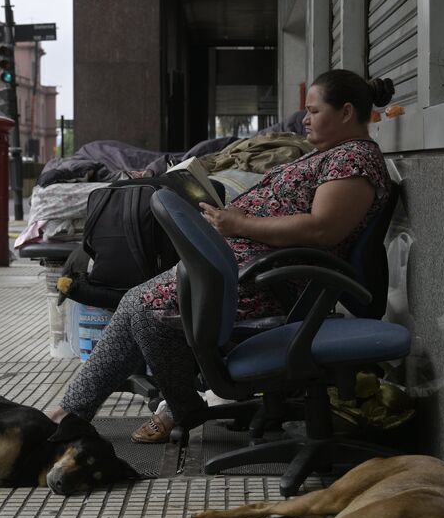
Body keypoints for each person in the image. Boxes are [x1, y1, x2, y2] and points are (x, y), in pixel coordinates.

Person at [50, 69, 397, 442]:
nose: (306, 119)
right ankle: (75, 409)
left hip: (271, 280)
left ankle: (173, 405)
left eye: (314, 111)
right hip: (240, 265)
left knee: (147, 312)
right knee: (135, 303)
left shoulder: (354, 161)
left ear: (346, 112)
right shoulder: (329, 154)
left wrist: (240, 224)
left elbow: (322, 229)